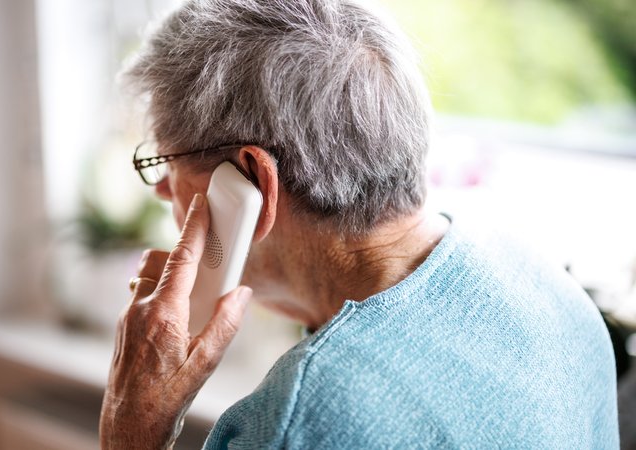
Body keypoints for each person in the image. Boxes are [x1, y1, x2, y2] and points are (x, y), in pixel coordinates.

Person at [99, 0, 619, 448]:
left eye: (166, 162)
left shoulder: (299, 418)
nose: (163, 188)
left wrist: (134, 428)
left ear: (254, 180)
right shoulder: (545, 284)